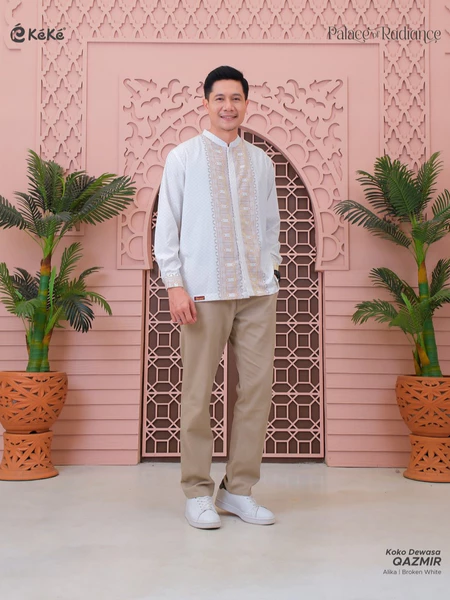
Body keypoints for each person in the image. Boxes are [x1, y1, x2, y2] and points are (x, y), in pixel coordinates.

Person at [154, 65, 281, 529]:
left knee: (258, 391)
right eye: (220, 98)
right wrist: (174, 283)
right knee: (197, 394)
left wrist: (270, 269)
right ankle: (197, 491)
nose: (229, 106)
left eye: (236, 98)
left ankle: (238, 490)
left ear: (246, 103)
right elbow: (167, 225)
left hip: (257, 292)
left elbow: (271, 224)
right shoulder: (183, 158)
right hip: (202, 292)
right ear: (205, 102)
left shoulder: (261, 162)